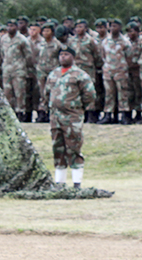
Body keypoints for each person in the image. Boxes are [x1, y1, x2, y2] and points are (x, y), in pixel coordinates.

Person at [44, 46, 97, 188]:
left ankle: (77, 182)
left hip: (72, 116)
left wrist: (77, 106)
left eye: (66, 55)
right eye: (61, 55)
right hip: (56, 116)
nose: (63, 57)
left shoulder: (80, 75)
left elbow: (90, 94)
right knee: (58, 147)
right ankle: (59, 182)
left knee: (73, 147)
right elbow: (47, 92)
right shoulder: (53, 74)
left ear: (73, 57)